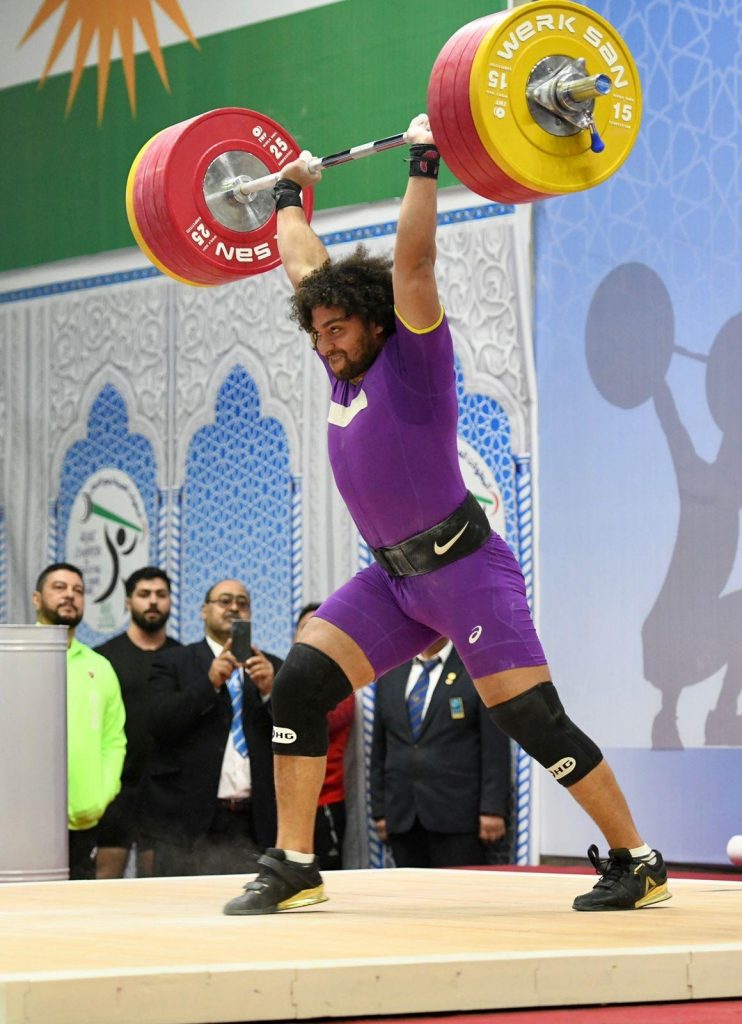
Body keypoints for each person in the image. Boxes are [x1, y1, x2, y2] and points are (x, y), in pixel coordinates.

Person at [223, 114, 670, 915]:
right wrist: (289, 194)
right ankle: (294, 864)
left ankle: (638, 861)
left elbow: (414, 261)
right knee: (299, 686)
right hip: (394, 583)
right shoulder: (341, 366)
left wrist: (424, 161)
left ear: (375, 320)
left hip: (465, 571)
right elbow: (303, 264)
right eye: (317, 334)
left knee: (532, 717)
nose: (326, 344)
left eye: (337, 330)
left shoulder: (414, 359)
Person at [138, 578, 281, 876]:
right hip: (186, 824)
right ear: (204, 611)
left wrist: (271, 693)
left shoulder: (272, 667)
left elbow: (296, 735)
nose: (234, 608)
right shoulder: (173, 662)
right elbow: (158, 723)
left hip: (255, 821)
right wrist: (209, 684)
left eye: (242, 603)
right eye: (224, 601)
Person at [371, 637, 511, 868]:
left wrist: (492, 808)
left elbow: (495, 747)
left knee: (458, 890)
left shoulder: (475, 668)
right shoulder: (391, 671)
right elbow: (379, 748)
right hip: (402, 816)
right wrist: (379, 811)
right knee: (408, 891)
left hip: (459, 817)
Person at [32, 562, 127, 880]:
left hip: (85, 819)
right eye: (59, 588)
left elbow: (114, 739)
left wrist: (101, 794)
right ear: (36, 599)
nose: (70, 596)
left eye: (78, 590)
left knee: (77, 902)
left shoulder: (99, 666)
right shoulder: (14, 657)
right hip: (23, 819)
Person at [94, 567, 180, 878]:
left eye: (161, 595)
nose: (153, 601)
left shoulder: (183, 658)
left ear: (170, 601)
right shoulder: (103, 659)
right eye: (144, 594)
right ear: (128, 602)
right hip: (116, 788)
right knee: (104, 881)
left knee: (156, 884)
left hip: (165, 791)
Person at [296, 603, 355, 870]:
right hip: (285, 801)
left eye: (320, 628)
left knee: (327, 875)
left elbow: (318, 722)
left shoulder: (345, 681)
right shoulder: (279, 677)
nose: (312, 636)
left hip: (326, 801)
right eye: (305, 628)